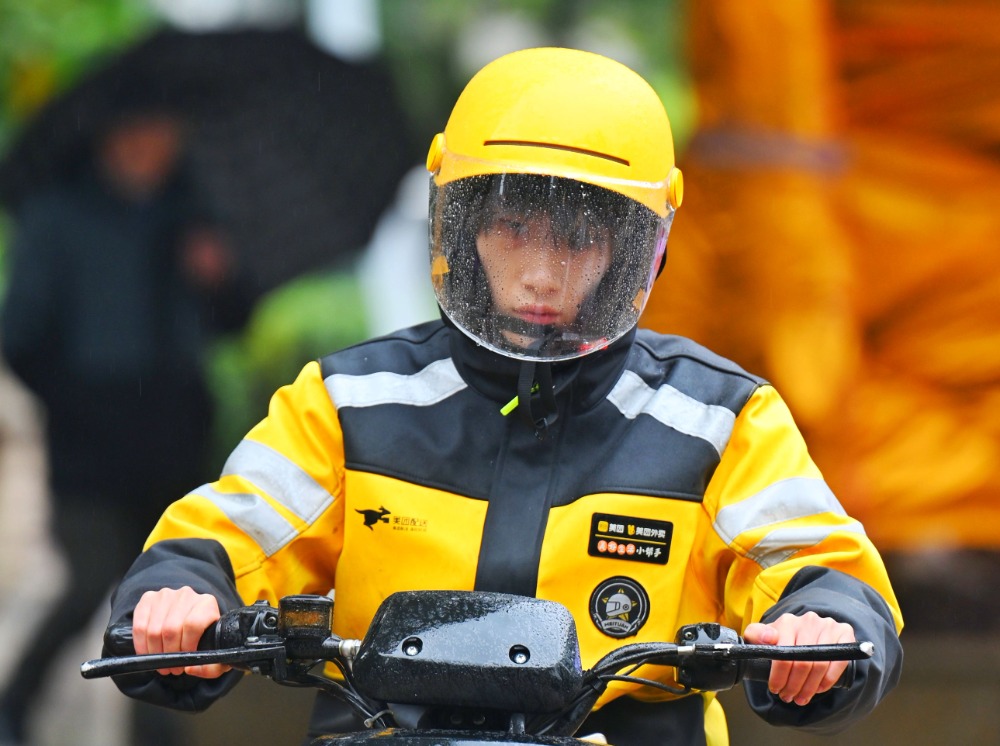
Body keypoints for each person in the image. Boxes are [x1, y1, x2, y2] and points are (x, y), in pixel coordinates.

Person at [103, 48, 902, 745]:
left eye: (581, 238)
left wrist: (823, 624)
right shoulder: (352, 403)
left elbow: (823, 568)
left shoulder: (718, 420)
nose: (541, 276)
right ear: (462, 223)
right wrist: (180, 600)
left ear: (640, 247)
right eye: (514, 227)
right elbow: (220, 540)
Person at [0, 105, 252, 744]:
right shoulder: (57, 216)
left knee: (169, 594)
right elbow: (21, 335)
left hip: (173, 439)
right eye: (140, 130)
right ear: (108, 133)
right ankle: (16, 698)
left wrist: (219, 278)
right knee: (89, 579)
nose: (155, 146)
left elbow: (232, 319)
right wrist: (78, 396)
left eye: (168, 129)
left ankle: (158, 727)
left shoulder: (190, 213)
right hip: (88, 443)